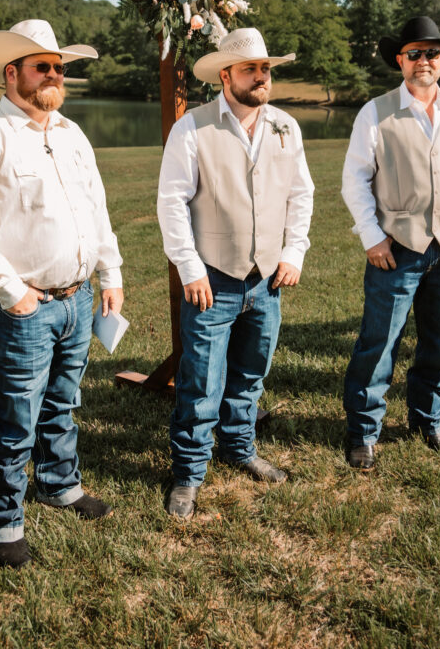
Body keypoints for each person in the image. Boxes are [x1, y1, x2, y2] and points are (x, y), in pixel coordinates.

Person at [0, 20, 124, 568]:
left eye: (60, 67)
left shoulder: (72, 134)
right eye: (43, 65)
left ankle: (59, 485)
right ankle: (3, 520)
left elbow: (97, 211)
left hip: (79, 298)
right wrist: (10, 291)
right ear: (11, 73)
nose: (54, 75)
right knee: (15, 417)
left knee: (63, 403)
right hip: (26, 307)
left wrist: (109, 274)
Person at [157, 28, 314, 518]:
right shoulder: (193, 127)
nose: (261, 77)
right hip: (212, 278)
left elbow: (300, 194)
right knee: (201, 379)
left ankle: (239, 448)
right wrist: (189, 268)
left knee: (250, 373)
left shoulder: (287, 125)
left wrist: (293, 253)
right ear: (225, 75)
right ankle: (188, 472)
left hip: (268, 278)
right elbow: (172, 202)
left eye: (266, 69)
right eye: (251, 69)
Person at [341, 16, 440, 470]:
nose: (423, 61)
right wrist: (372, 237)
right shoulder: (377, 111)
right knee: (378, 343)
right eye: (414, 54)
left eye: (431, 53)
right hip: (397, 248)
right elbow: (354, 181)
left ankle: (428, 421)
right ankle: (363, 431)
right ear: (400, 61)